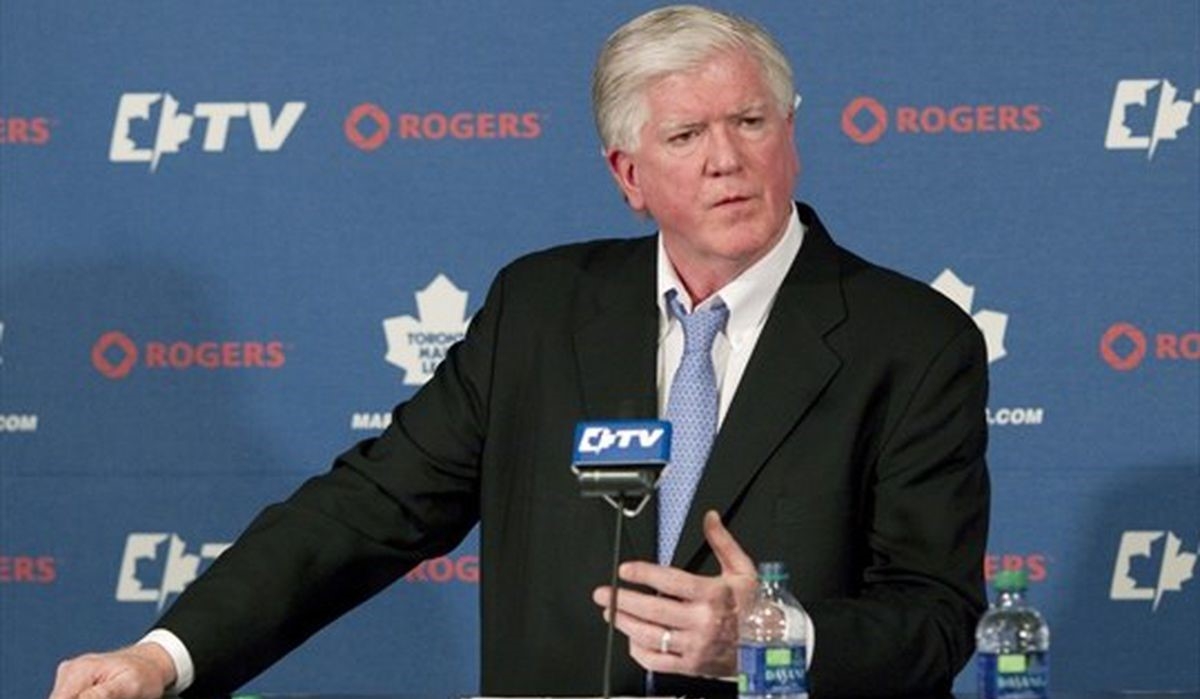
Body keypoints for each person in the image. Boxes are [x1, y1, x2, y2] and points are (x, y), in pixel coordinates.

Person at [49, 5, 989, 698]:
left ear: (790, 135)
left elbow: (936, 617)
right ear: (629, 175)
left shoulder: (911, 340)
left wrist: (769, 636)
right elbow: (369, 508)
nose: (726, 158)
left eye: (750, 122)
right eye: (686, 134)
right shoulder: (540, 310)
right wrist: (162, 657)